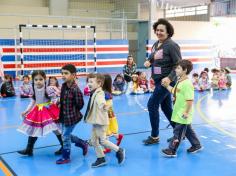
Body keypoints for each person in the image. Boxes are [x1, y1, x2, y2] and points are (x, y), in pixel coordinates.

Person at [143, 18, 181, 145]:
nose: (159, 32)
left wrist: (170, 78)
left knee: (152, 105)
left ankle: (155, 136)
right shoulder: (156, 44)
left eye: (162, 30)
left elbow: (178, 64)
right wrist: (149, 61)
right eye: (157, 30)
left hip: (166, 82)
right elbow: (153, 55)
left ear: (168, 32)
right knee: (166, 108)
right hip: (158, 80)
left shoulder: (172, 45)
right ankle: (180, 134)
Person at [161, 60, 202, 157]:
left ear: (185, 70)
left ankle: (172, 150)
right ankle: (196, 145)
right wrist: (167, 86)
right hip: (178, 111)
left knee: (177, 132)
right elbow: (174, 91)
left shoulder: (187, 84)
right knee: (187, 130)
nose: (176, 69)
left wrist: (186, 112)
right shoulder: (179, 81)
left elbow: (190, 100)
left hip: (183, 113)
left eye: (178, 68)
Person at [17, 70, 62, 156]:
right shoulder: (33, 89)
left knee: (56, 129)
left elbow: (55, 99)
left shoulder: (48, 89)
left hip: (48, 111)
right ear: (33, 80)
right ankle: (29, 149)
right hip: (38, 111)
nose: (38, 81)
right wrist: (27, 111)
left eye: (40, 79)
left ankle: (64, 146)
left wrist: (52, 104)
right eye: (36, 79)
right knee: (33, 129)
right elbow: (33, 101)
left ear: (45, 79)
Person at [84, 73, 125, 168]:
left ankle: (119, 150)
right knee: (94, 141)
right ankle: (101, 158)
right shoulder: (94, 92)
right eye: (88, 82)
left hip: (101, 122)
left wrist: (104, 106)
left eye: (91, 82)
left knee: (102, 141)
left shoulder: (99, 93)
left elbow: (101, 103)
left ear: (99, 83)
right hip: (96, 121)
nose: (89, 84)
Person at [56, 64, 88, 164]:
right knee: (65, 135)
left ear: (73, 75)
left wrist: (72, 110)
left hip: (71, 117)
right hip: (63, 116)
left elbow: (80, 104)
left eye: (66, 73)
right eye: (62, 73)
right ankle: (82, 143)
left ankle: (66, 157)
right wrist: (59, 102)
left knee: (65, 136)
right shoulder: (64, 86)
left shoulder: (75, 89)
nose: (63, 75)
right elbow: (62, 98)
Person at [102, 74, 124, 153]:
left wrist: (105, 108)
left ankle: (107, 148)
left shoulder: (105, 92)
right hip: (109, 114)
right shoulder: (106, 91)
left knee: (105, 132)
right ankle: (118, 136)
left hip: (107, 114)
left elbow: (109, 103)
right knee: (108, 130)